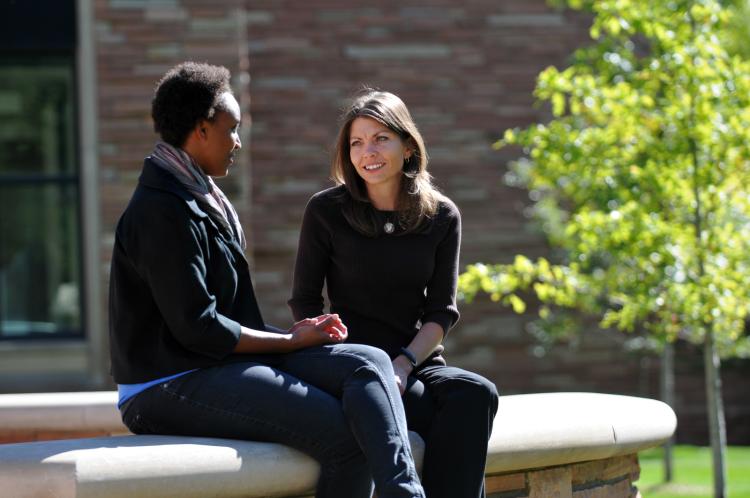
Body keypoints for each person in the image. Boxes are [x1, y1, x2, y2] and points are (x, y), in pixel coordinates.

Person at [108, 63, 426, 498]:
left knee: (368, 360)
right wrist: (291, 341)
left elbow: (221, 324)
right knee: (346, 437)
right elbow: (197, 328)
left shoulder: (201, 197)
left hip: (217, 365)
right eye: (231, 129)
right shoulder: (160, 211)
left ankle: (406, 492)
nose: (237, 141)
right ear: (201, 130)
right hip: (166, 385)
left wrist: (298, 336)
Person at [289, 90, 499, 498]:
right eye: (356, 142)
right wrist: (330, 356)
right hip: (352, 365)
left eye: (380, 138)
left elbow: (441, 312)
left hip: (414, 362)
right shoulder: (325, 211)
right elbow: (305, 302)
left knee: (475, 394)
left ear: (407, 146)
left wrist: (403, 363)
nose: (367, 151)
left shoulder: (441, 215)